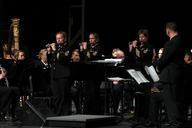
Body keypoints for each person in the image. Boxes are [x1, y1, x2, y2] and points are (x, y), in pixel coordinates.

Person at [153, 22, 185, 128]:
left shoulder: (171, 42)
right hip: (177, 74)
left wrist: (156, 65)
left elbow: (165, 58)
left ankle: (174, 122)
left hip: (170, 75)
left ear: (168, 30)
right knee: (175, 98)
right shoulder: (181, 40)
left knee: (170, 100)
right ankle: (177, 120)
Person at [47, 31, 71, 116]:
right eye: (57, 38)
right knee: (56, 96)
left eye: (60, 38)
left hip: (63, 75)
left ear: (64, 38)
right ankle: (57, 113)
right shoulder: (56, 48)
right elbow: (51, 61)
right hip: (55, 75)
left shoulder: (67, 47)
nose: (58, 40)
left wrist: (54, 50)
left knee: (63, 95)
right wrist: (49, 52)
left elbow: (62, 59)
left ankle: (65, 114)